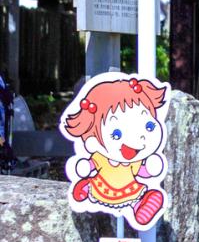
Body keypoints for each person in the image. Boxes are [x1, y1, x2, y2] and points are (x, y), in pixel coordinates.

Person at [59, 75, 170, 229]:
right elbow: (90, 165)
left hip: (130, 187)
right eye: (116, 134)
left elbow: (142, 172)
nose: (138, 138)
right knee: (93, 188)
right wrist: (84, 167)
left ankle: (142, 207)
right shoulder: (100, 157)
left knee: (136, 197)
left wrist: (150, 168)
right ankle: (85, 188)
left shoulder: (135, 161)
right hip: (102, 184)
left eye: (149, 127)